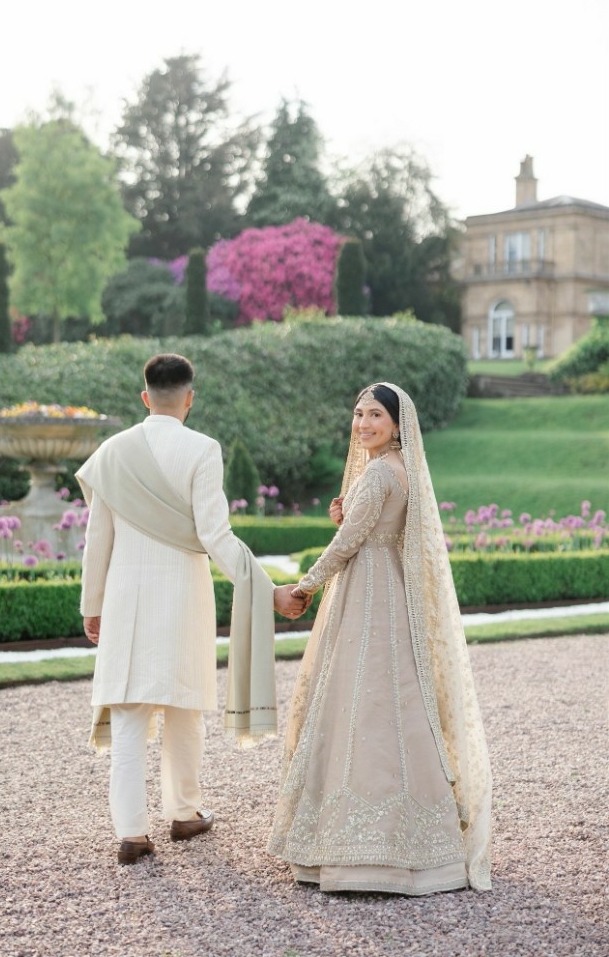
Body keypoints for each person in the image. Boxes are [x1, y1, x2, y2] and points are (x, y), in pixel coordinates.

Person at [76, 353, 307, 865]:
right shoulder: (202, 449)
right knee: (183, 709)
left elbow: (98, 540)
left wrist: (93, 605)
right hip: (182, 597)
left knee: (129, 716)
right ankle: (184, 814)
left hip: (125, 600)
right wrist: (267, 590)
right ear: (189, 398)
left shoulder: (111, 453)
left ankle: (132, 834)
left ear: (145, 397)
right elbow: (216, 536)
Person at [268, 382, 492, 894]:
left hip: (367, 595)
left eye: (375, 415)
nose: (363, 424)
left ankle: (359, 847)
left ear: (396, 425)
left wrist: (304, 586)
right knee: (393, 700)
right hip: (388, 589)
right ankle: (420, 840)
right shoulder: (401, 469)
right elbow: (372, 526)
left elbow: (347, 544)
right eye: (358, 414)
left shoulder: (377, 472)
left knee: (359, 700)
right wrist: (348, 515)